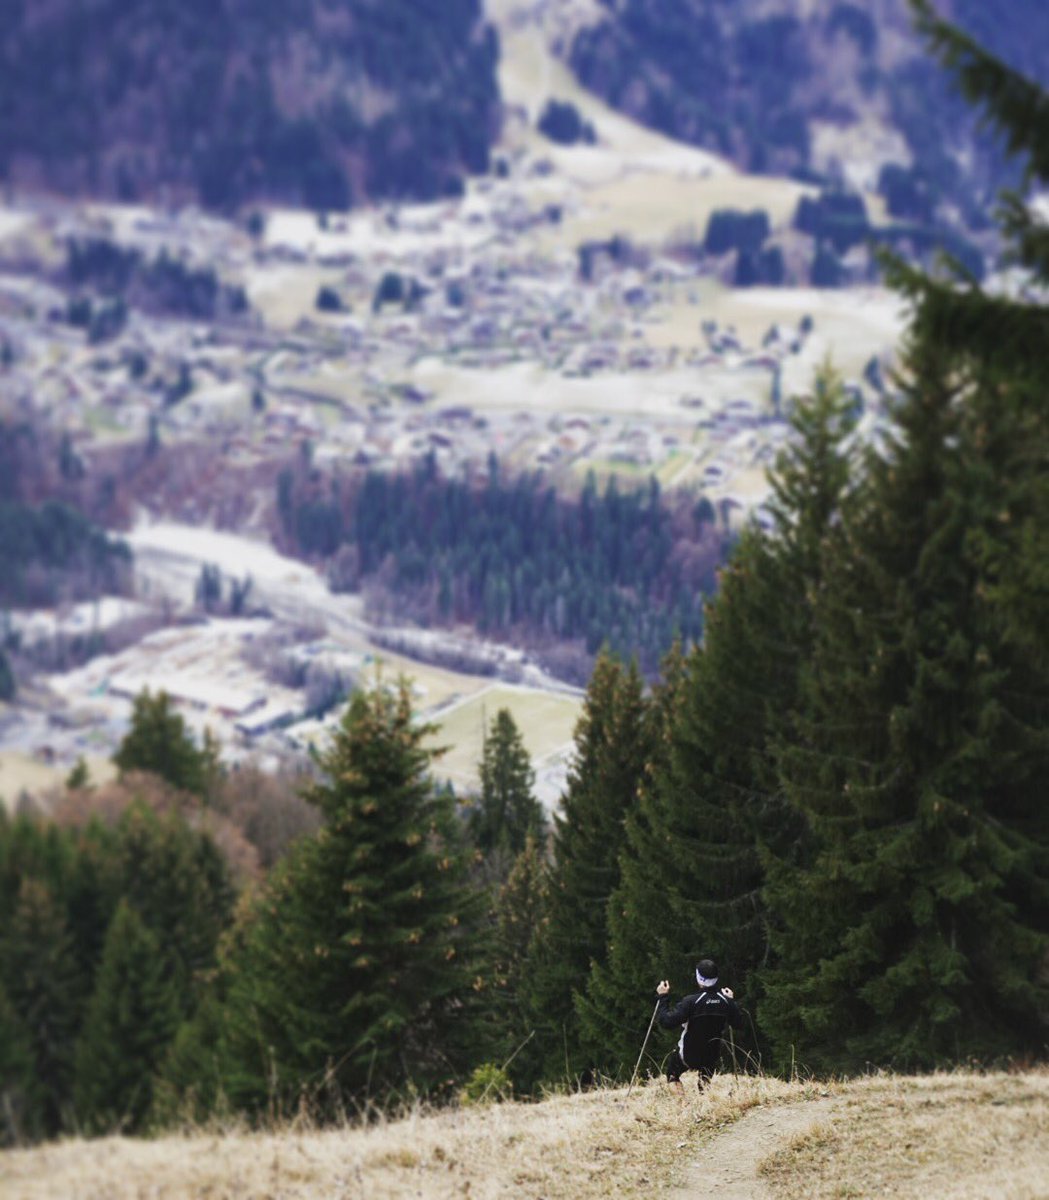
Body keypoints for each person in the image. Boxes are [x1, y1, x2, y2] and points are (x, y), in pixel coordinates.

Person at [655, 958, 742, 1090]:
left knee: (672, 1074)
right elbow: (739, 1024)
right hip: (711, 1055)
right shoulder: (725, 1001)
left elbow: (667, 1022)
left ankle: (682, 1106)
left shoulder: (691, 1001)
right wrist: (731, 1001)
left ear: (698, 978)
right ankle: (705, 1101)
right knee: (704, 1080)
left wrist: (663, 997)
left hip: (689, 1054)